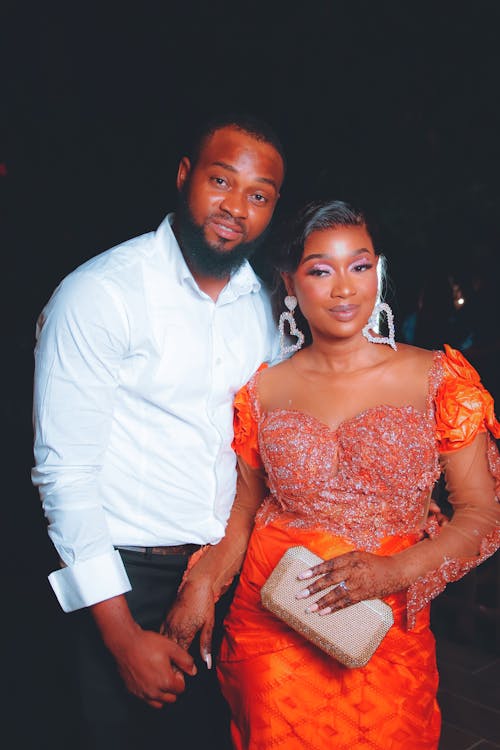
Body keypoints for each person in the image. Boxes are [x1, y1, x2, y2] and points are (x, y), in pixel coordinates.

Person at [173, 199, 500, 749]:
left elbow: (482, 514)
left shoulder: (438, 379)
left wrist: (396, 571)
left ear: (379, 272)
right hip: (271, 620)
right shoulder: (262, 391)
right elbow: (245, 510)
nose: (344, 289)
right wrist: (202, 584)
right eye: (321, 270)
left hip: (382, 626)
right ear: (291, 283)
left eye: (361, 266)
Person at [31, 114, 286, 749]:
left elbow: (284, 433)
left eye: (258, 195)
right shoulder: (100, 294)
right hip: (125, 585)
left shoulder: (263, 306)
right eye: (221, 181)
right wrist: (120, 636)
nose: (236, 208)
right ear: (184, 176)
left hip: (225, 578)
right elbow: (64, 473)